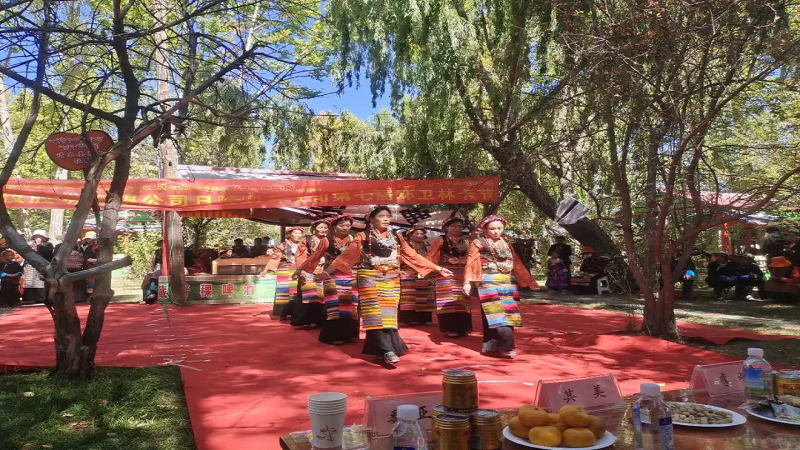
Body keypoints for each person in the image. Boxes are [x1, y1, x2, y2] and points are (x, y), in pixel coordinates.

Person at [319, 206, 453, 365]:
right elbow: (345, 257)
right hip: (369, 277)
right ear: (371, 219)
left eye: (388, 216)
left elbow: (412, 255)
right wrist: (326, 272)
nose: (385, 219)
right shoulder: (363, 236)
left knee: (389, 313)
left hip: (391, 278)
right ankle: (386, 350)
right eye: (381, 216)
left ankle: (382, 347)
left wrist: (437, 268)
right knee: (374, 312)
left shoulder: (396, 236)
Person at [464, 215, 538, 358]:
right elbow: (470, 262)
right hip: (487, 281)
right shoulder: (478, 242)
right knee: (496, 314)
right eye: (492, 228)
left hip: (507, 282)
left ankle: (490, 346)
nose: (496, 231)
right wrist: (467, 282)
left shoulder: (506, 242)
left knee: (507, 313)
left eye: (499, 228)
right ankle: (507, 346)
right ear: (485, 229)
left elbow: (516, 262)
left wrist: (528, 281)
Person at [299, 214, 360, 345]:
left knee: (350, 304)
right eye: (342, 225)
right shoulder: (327, 240)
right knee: (334, 304)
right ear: (334, 226)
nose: (345, 228)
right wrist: (301, 269)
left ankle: (350, 334)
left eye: (348, 225)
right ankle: (334, 335)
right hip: (331, 275)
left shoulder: (353, 239)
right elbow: (315, 256)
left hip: (350, 274)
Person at [427, 218, 472, 337]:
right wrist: (443, 263)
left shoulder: (466, 241)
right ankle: (450, 328)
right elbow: (431, 255)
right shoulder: (440, 239)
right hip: (444, 273)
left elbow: (472, 256)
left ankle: (463, 328)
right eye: (454, 226)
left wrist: (461, 260)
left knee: (463, 300)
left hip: (462, 273)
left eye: (459, 226)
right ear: (446, 227)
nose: (457, 228)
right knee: (447, 300)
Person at [292, 220, 330, 328]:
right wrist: (302, 270)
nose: (323, 230)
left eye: (325, 228)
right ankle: (310, 320)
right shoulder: (307, 240)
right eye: (320, 227)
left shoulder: (330, 239)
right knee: (310, 296)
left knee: (325, 295)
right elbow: (300, 256)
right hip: (309, 270)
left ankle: (323, 320)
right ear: (314, 228)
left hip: (326, 269)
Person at [260, 226, 305, 320]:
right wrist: (266, 270)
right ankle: (282, 313)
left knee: (297, 292)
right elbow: (275, 258)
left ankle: (296, 313)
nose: (298, 235)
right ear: (289, 235)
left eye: (300, 233)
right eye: (296, 233)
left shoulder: (304, 245)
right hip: (285, 270)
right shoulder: (282, 245)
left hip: (299, 270)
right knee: (283, 292)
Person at [397, 226, 435, 327]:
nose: (419, 236)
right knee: (407, 297)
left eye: (421, 234)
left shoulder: (428, 245)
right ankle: (405, 319)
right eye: (417, 234)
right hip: (407, 273)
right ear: (410, 235)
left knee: (424, 296)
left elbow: (431, 258)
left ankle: (424, 319)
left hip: (424, 273)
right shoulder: (405, 245)